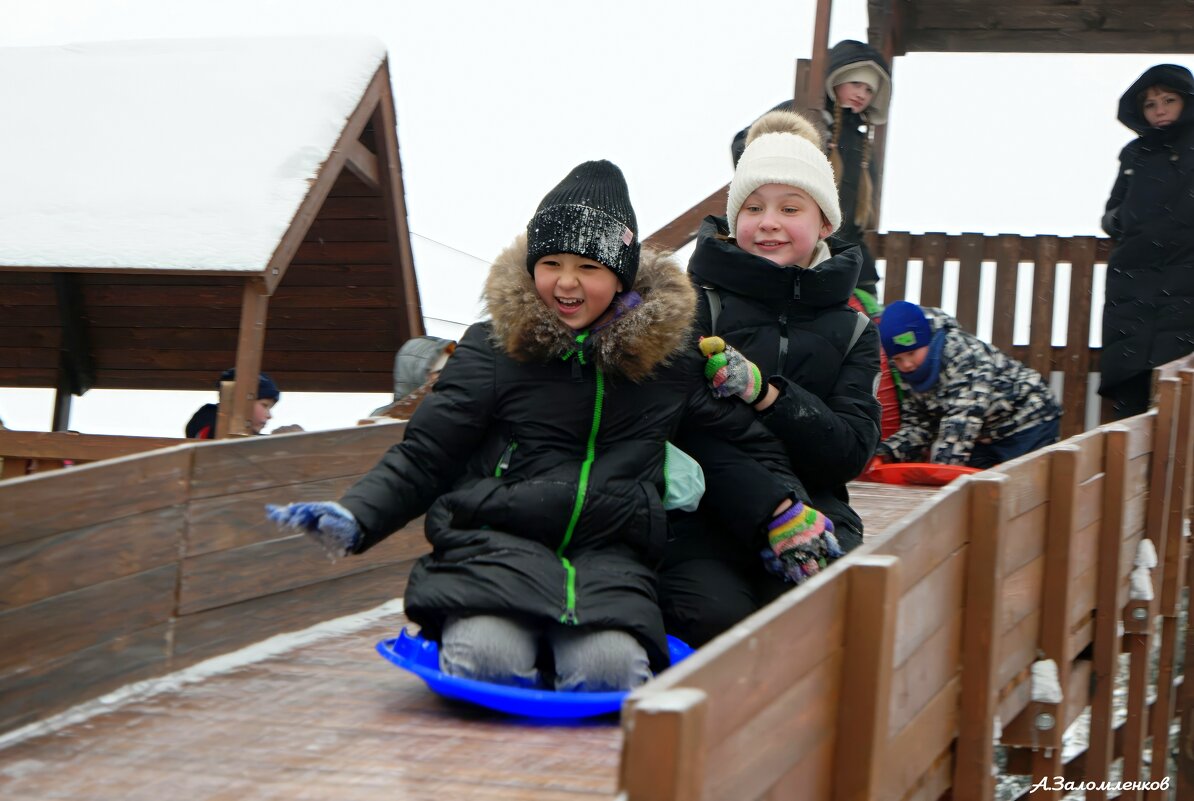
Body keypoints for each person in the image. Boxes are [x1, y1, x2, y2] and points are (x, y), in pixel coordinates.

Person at [267, 160, 838, 691]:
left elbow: (732, 442)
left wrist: (784, 510)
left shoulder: (664, 364)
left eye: (588, 267)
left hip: (609, 561)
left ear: (620, 277)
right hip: (494, 548)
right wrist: (357, 514)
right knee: (488, 661)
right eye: (552, 264)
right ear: (531, 267)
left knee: (610, 671)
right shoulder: (494, 352)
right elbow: (427, 454)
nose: (566, 283)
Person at [661, 109, 882, 647]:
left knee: (813, 627)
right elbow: (685, 427)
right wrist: (771, 510)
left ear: (824, 223)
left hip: (816, 512)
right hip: (708, 512)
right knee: (715, 622)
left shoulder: (852, 328)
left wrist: (768, 396)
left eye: (790, 207)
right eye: (753, 207)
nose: (769, 223)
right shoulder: (697, 308)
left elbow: (848, 451)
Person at [729, 39, 892, 298]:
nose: (862, 93)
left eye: (869, 89)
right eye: (856, 83)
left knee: (862, 319)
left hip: (844, 250)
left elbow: (856, 216)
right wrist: (788, 160)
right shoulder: (802, 113)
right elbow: (744, 147)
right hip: (795, 242)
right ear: (836, 79)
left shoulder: (862, 145)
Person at [1099, 63, 1194, 419]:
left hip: (1186, 283)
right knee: (1132, 398)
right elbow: (1113, 211)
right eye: (1151, 105)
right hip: (1134, 284)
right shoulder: (1135, 154)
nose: (1160, 110)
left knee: (1179, 399)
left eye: (1169, 100)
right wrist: (1124, 222)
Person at [873, 301, 1061, 468]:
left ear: (927, 342)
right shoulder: (910, 374)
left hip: (1028, 420)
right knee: (977, 490)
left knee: (1019, 488)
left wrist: (939, 472)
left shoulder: (965, 357)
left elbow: (963, 420)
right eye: (897, 359)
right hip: (985, 432)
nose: (906, 364)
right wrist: (885, 453)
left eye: (911, 354)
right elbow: (919, 425)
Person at [184, 368, 301, 438]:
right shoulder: (209, 420)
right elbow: (232, 442)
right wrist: (279, 442)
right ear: (240, 402)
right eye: (265, 405)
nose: (269, 415)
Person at [369, 336, 457, 417]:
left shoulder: (458, 413)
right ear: (416, 374)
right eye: (439, 372)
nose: (449, 376)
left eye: (453, 370)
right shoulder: (385, 419)